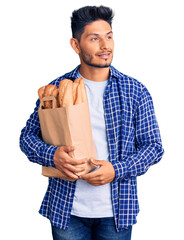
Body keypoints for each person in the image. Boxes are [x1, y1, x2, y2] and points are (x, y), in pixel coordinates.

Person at [20, 5, 164, 240]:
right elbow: (27, 137)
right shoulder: (55, 90)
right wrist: (52, 155)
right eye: (95, 38)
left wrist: (116, 170)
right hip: (67, 211)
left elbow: (154, 147)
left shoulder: (135, 91)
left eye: (109, 37)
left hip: (117, 212)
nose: (105, 46)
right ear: (76, 45)